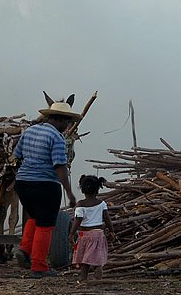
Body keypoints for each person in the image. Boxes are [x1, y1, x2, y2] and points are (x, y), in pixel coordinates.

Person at [13, 95, 81, 278]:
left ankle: (25, 250)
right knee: (46, 225)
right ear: (57, 119)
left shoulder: (29, 131)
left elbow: (16, 154)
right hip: (45, 185)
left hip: (23, 183)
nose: (68, 125)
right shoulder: (57, 138)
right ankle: (39, 266)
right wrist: (69, 191)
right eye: (66, 121)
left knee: (34, 217)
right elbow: (59, 165)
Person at [69, 175, 114, 282]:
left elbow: (77, 220)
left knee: (85, 260)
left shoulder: (80, 205)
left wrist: (71, 233)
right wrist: (111, 230)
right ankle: (98, 275)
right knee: (98, 259)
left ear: (82, 189)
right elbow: (107, 218)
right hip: (98, 235)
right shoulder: (102, 204)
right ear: (98, 189)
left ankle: (83, 279)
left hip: (84, 235)